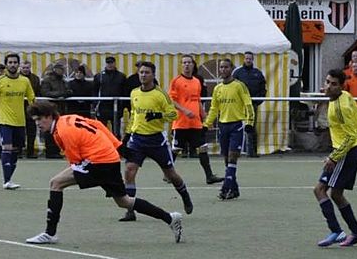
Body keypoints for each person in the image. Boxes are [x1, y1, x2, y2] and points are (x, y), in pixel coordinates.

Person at [23, 100, 183, 245]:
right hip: (108, 159)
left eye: (39, 119)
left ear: (50, 116)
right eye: (35, 120)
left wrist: (114, 149)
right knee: (124, 201)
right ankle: (170, 218)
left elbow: (75, 160)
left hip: (98, 162)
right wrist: (118, 146)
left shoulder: (64, 131)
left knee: (56, 183)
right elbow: (97, 124)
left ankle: (50, 233)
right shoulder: (66, 119)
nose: (37, 123)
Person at [118, 61, 193, 222]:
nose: (143, 75)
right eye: (141, 72)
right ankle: (130, 210)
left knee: (171, 174)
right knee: (129, 171)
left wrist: (158, 115)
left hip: (156, 140)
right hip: (137, 139)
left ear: (153, 75)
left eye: (147, 72)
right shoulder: (134, 93)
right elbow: (134, 115)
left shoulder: (160, 94)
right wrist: (127, 136)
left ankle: (185, 195)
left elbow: (173, 114)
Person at [314, 69, 357, 247]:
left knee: (320, 190)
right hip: (349, 151)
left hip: (344, 153)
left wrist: (334, 157)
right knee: (336, 194)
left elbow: (350, 135)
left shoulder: (341, 107)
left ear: (341, 86)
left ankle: (336, 231)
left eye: (333, 84)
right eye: (327, 82)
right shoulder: (344, 96)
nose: (328, 86)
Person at [204, 58, 255, 200]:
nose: (223, 69)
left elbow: (248, 104)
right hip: (223, 126)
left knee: (233, 157)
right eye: (221, 67)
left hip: (236, 125)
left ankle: (225, 187)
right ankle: (234, 190)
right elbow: (214, 108)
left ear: (231, 69)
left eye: (226, 67)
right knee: (227, 160)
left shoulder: (239, 86)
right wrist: (206, 124)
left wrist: (249, 122)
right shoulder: (218, 88)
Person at [168, 54, 224, 185]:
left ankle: (209, 176)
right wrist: (184, 110)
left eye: (189, 62)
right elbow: (171, 100)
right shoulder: (176, 81)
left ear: (193, 65)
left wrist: (204, 116)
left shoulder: (196, 81)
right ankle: (168, 174)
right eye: (184, 63)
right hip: (181, 123)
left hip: (195, 123)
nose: (187, 65)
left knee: (203, 147)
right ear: (181, 65)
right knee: (176, 149)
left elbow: (197, 100)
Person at [0, 53, 36, 189]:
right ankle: (7, 181)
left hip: (20, 121)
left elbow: (31, 98)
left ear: (18, 64)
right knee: (7, 148)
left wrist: (36, 114)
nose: (13, 65)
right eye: (10, 62)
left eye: (15, 62)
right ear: (6, 65)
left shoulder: (25, 81)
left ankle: (9, 178)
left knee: (15, 151)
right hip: (4, 120)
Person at [232, 52, 267, 157]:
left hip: (252, 104)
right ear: (244, 59)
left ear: (253, 60)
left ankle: (252, 152)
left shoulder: (258, 73)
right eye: (246, 58)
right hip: (239, 105)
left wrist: (258, 101)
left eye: (250, 59)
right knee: (236, 127)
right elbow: (232, 87)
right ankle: (235, 150)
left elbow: (263, 88)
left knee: (251, 127)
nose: (248, 60)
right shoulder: (237, 72)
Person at [40, 62, 70, 158]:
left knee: (59, 130)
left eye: (62, 69)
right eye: (60, 69)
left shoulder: (63, 81)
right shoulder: (47, 80)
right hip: (50, 109)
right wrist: (60, 94)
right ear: (55, 69)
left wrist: (66, 93)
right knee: (49, 131)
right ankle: (50, 151)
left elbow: (68, 91)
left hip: (61, 109)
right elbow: (45, 93)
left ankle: (57, 150)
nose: (62, 71)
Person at [93, 56, 126, 137]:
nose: (110, 65)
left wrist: (123, 105)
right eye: (108, 63)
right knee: (102, 131)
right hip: (102, 106)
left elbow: (124, 92)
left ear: (115, 63)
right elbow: (94, 91)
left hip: (116, 106)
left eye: (111, 63)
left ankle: (117, 144)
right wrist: (95, 103)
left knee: (116, 131)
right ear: (105, 64)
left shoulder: (121, 76)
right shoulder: (99, 76)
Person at [19, 60, 42, 158]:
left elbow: (38, 92)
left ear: (30, 68)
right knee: (19, 132)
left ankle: (30, 152)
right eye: (23, 68)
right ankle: (19, 151)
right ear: (20, 68)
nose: (25, 69)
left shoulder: (35, 79)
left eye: (27, 68)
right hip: (18, 108)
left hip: (32, 108)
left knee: (31, 132)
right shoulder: (16, 78)